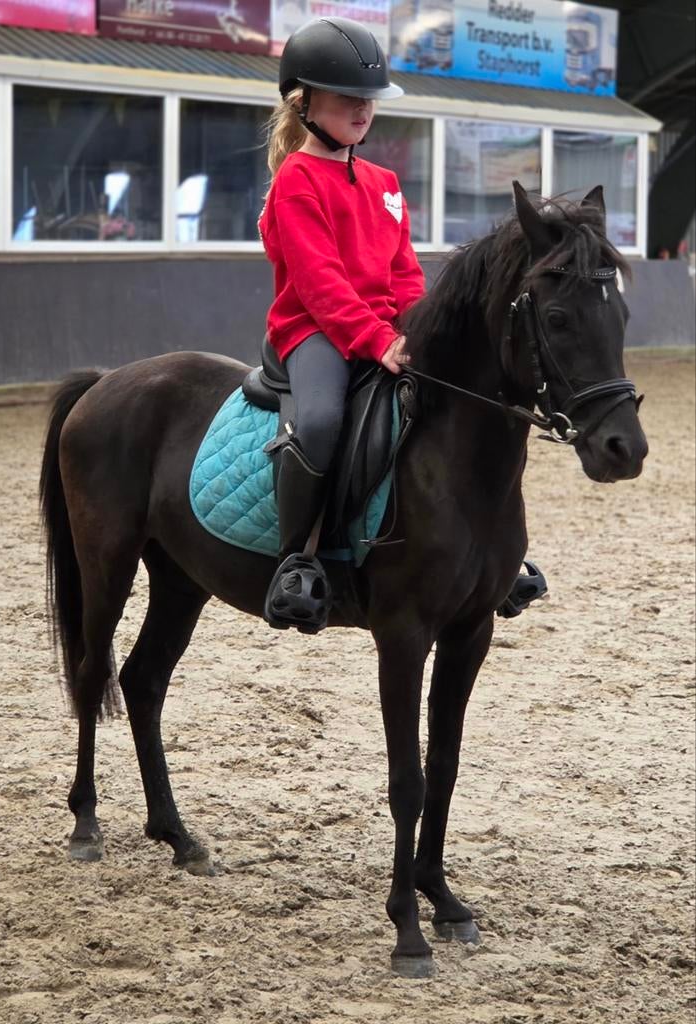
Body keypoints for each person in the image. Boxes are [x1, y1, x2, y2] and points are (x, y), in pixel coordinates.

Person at [259, 17, 425, 633]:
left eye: (370, 98)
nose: (363, 108)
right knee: (323, 421)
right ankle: (295, 561)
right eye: (347, 96)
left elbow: (405, 273)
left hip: (381, 328)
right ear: (304, 103)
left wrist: (419, 328)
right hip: (314, 330)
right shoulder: (296, 180)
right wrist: (378, 340)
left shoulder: (385, 183)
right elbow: (320, 283)